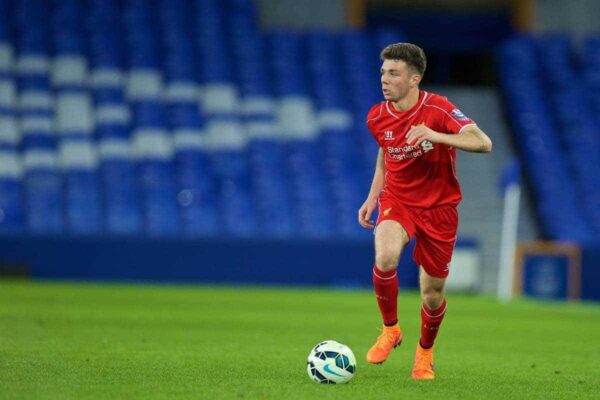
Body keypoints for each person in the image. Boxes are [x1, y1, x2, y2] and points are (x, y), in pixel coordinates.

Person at [358, 43, 492, 380]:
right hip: (398, 199)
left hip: (439, 209)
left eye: (393, 74)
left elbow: (483, 142)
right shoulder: (376, 115)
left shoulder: (439, 109)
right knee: (385, 256)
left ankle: (424, 354)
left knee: (432, 294)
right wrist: (373, 196)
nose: (384, 80)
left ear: (414, 78)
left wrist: (436, 135)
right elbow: (386, 152)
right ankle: (391, 330)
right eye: (383, 73)